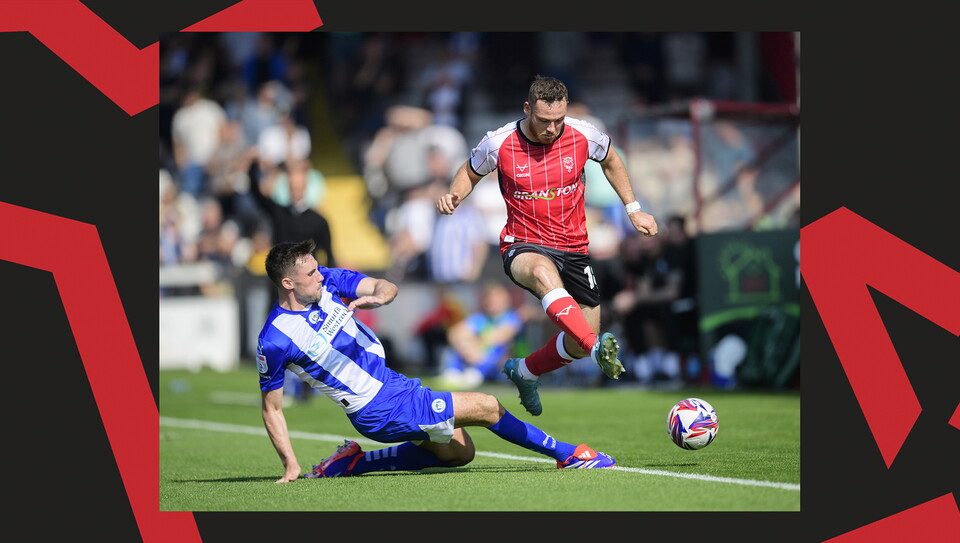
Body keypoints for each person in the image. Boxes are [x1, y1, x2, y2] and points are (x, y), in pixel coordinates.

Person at [257, 239, 616, 481]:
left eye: (318, 268)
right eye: (311, 273)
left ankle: (354, 462)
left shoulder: (330, 282)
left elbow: (384, 286)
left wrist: (380, 297)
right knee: (487, 406)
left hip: (393, 383)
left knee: (460, 453)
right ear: (288, 283)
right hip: (375, 405)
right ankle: (570, 454)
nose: (320, 275)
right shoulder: (275, 339)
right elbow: (272, 408)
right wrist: (290, 463)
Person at [436, 75, 659, 416]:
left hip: (574, 247)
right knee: (542, 273)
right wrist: (454, 194)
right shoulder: (500, 142)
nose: (552, 129)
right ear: (528, 109)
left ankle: (524, 371)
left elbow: (612, 159)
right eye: (543, 121)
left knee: (577, 340)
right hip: (523, 243)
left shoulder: (583, 134)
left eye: (558, 121)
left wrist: (633, 208)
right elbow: (469, 171)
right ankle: (596, 348)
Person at [439, 281, 525, 389]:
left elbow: (500, 336)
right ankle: (453, 372)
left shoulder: (513, 318)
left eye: (496, 298)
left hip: (501, 366)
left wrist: (474, 345)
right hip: (475, 356)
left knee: (497, 349)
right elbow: (454, 333)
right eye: (489, 298)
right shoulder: (480, 318)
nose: (492, 301)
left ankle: (476, 373)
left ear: (506, 300)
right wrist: (467, 347)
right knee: (455, 348)